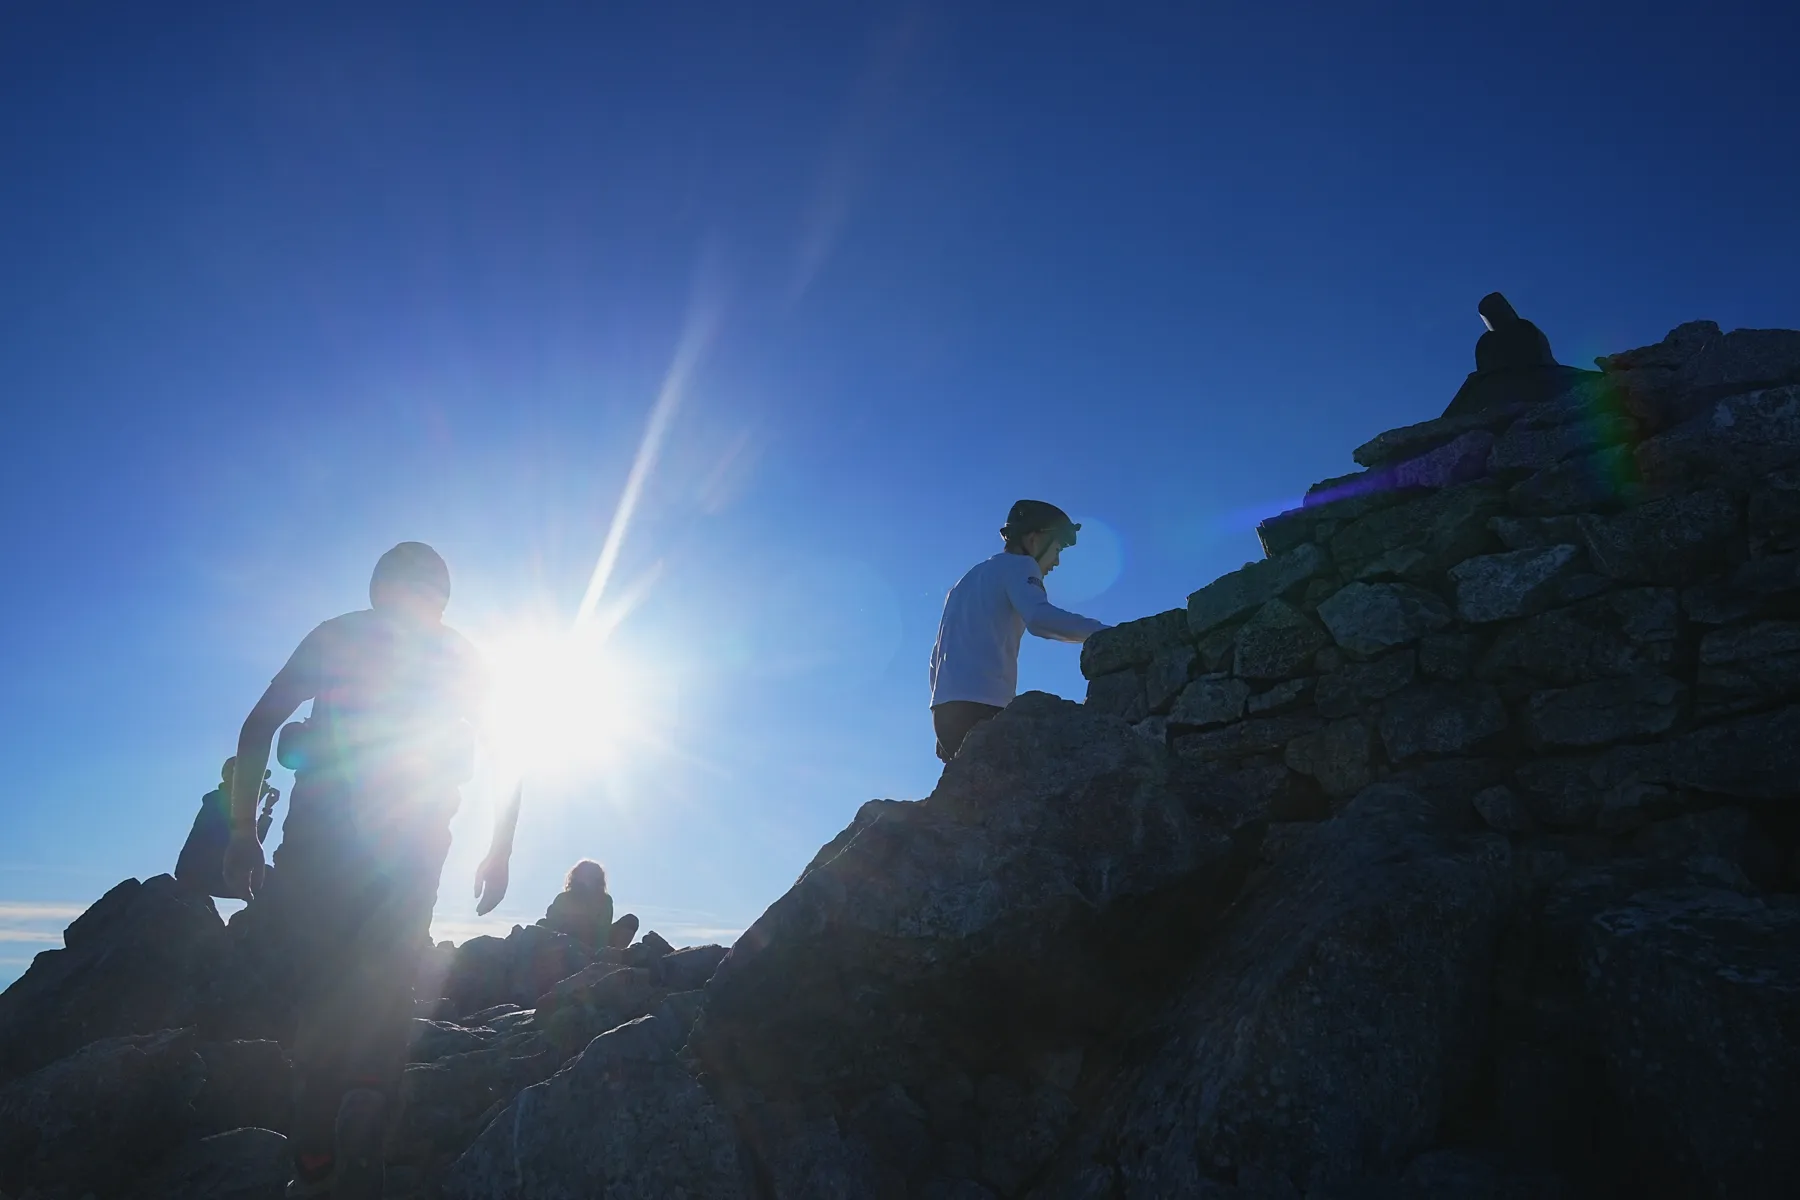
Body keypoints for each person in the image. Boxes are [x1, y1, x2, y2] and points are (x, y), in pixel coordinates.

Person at [218, 542, 520, 1200]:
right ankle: (367, 1117)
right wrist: (499, 849)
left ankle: (318, 1150)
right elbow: (507, 756)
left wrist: (243, 832)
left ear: (379, 586)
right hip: (413, 845)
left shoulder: (337, 636)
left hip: (320, 843)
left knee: (323, 981)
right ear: (441, 595)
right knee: (388, 977)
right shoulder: (460, 655)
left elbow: (259, 724)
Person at [928, 500, 1107, 761]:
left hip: (945, 711)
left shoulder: (963, 583)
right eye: (1057, 548)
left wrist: (942, 716)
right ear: (1035, 539)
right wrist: (1106, 633)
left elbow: (936, 657)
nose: (1056, 561)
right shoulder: (1020, 566)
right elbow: (1039, 617)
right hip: (984, 706)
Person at [175, 757, 279, 897]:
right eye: (256, 778)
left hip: (212, 873)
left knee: (269, 879)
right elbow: (242, 842)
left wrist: (266, 809)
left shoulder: (228, 803)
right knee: (271, 880)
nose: (261, 782)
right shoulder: (216, 802)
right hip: (200, 875)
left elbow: (251, 843)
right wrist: (256, 800)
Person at [538, 858, 639, 951]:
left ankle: (612, 955)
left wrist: (600, 950)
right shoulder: (563, 898)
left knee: (630, 921)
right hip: (567, 939)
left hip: (595, 942)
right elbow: (553, 923)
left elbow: (603, 928)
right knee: (542, 924)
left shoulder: (604, 900)